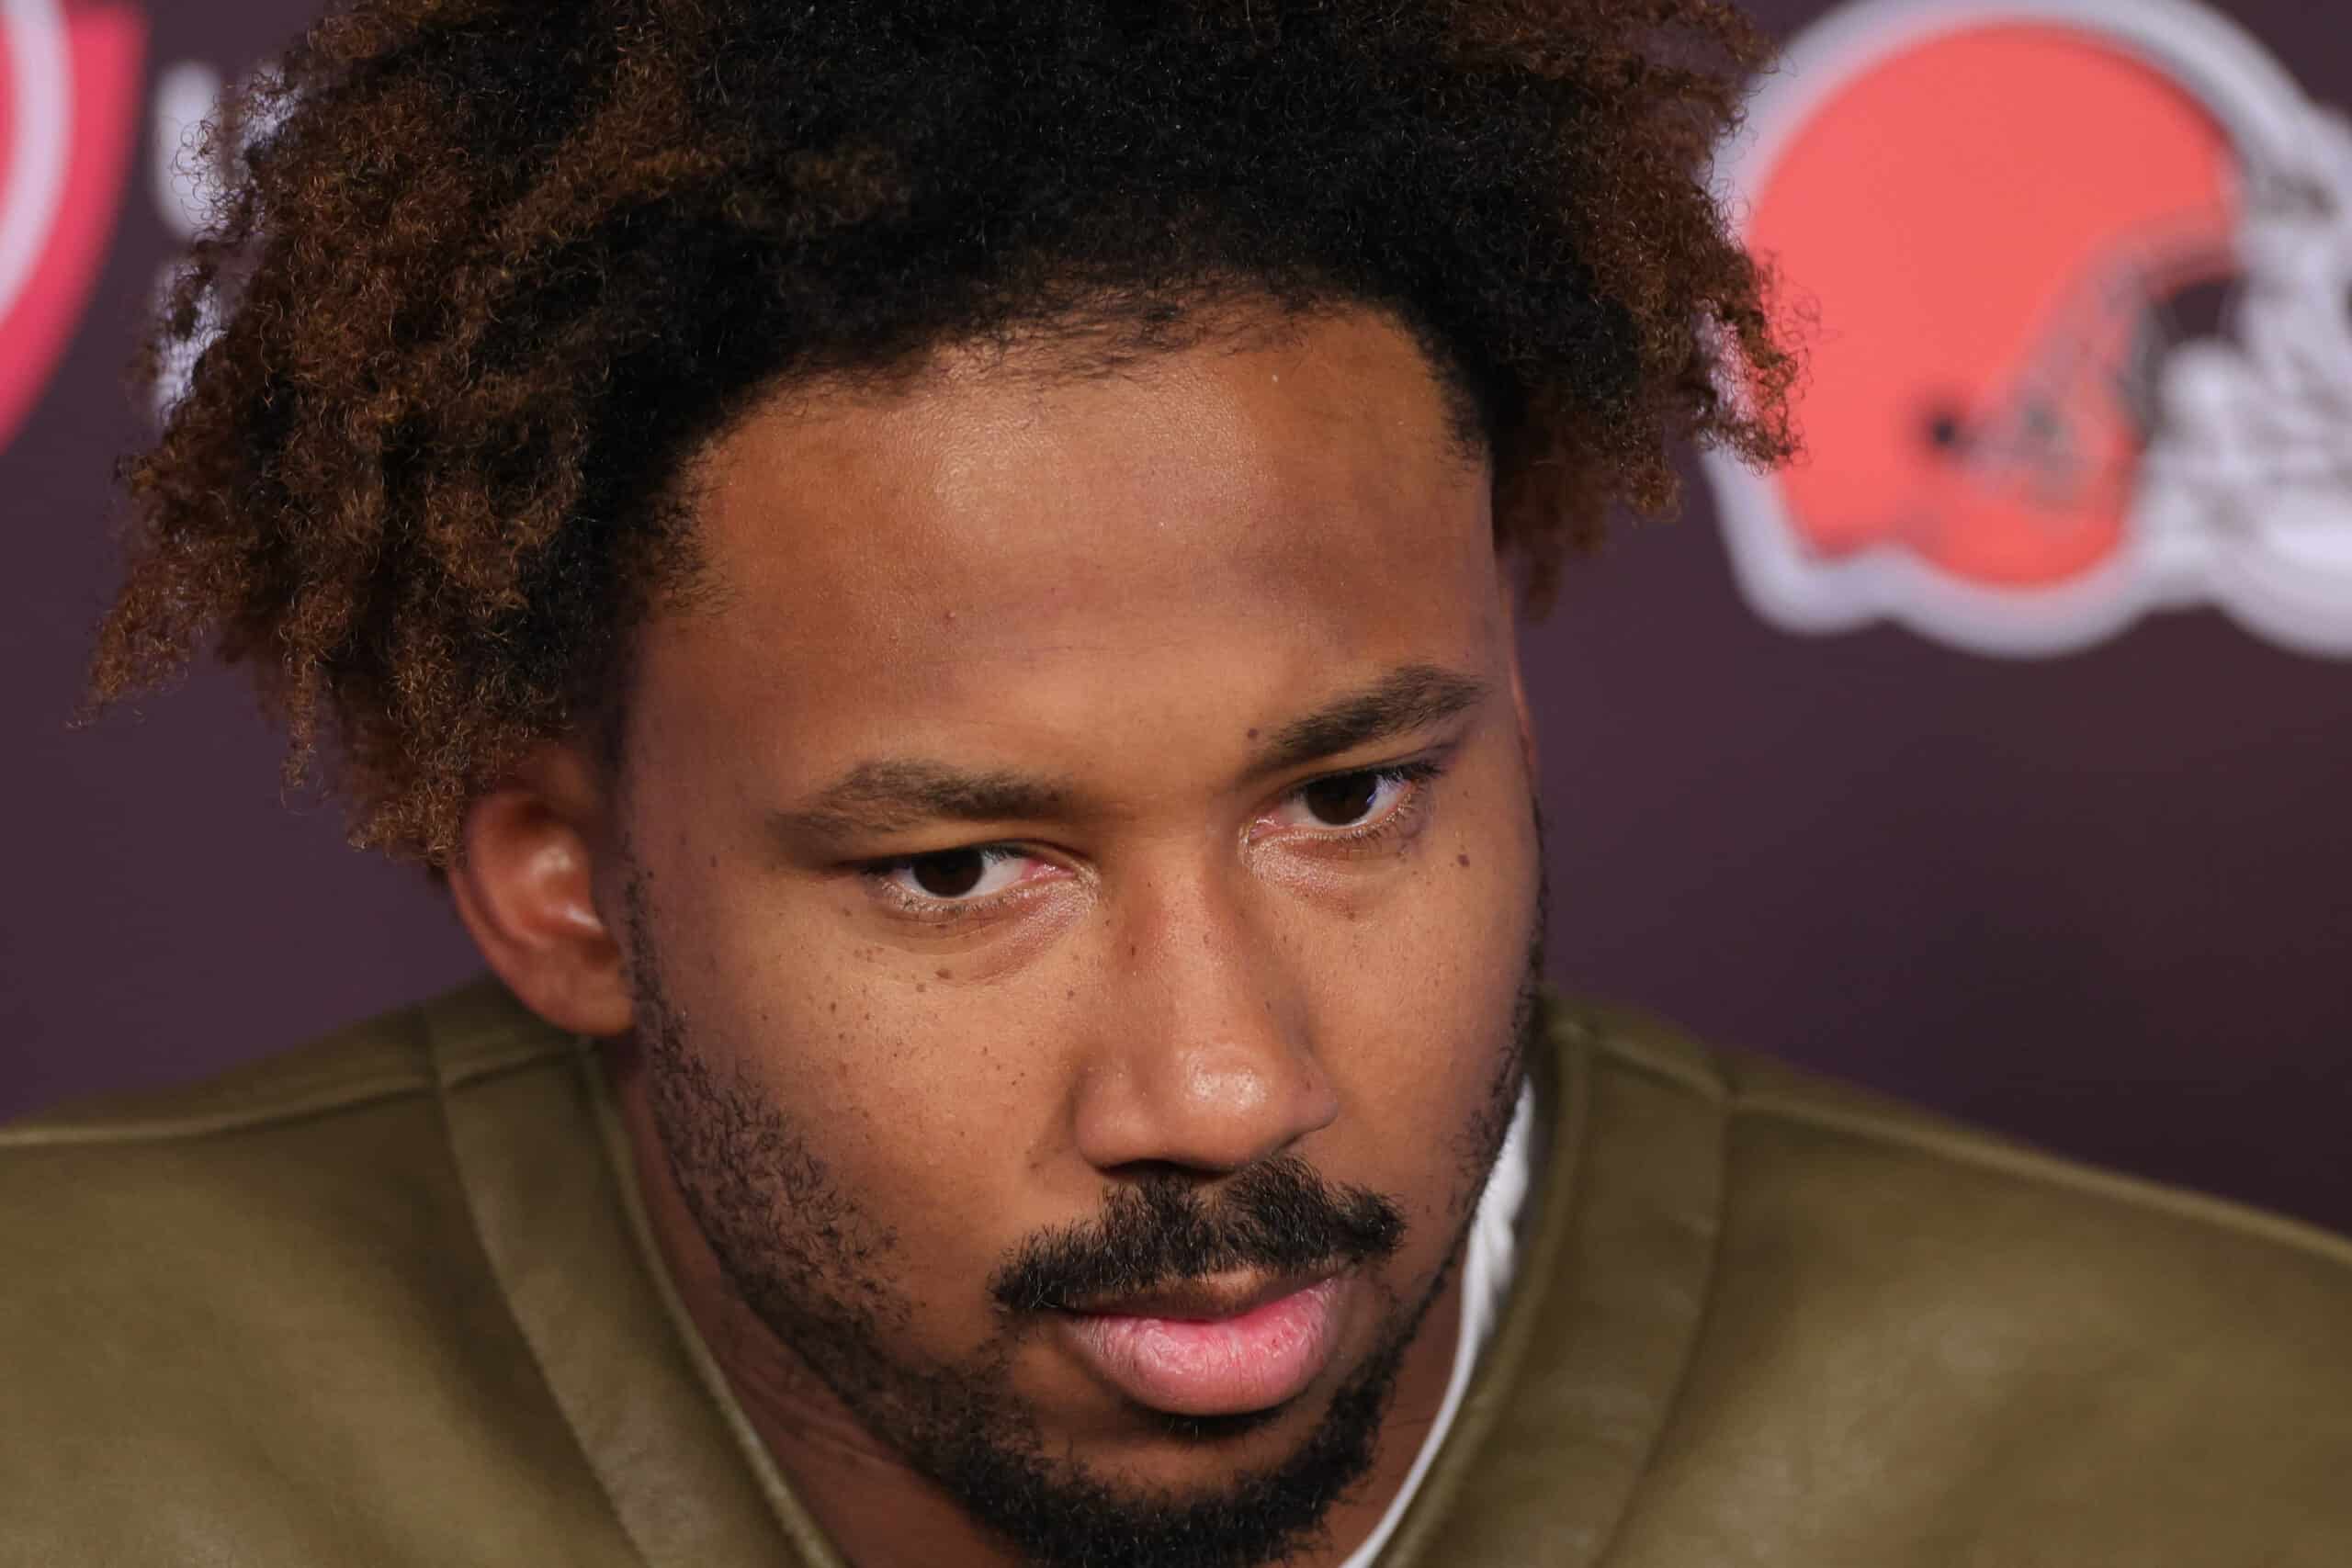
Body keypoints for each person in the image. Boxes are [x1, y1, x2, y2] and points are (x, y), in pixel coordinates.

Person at [6, 1, 2347, 1563]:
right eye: (958, 867)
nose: (1223, 1085)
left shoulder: (2234, 1462)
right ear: (563, 886)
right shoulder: (67, 1428)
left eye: (1341, 800)